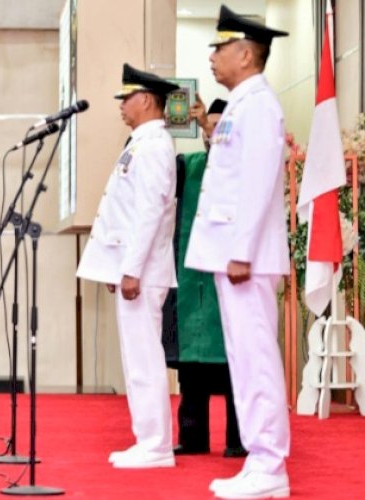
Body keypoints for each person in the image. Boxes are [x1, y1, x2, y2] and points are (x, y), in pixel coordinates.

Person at [184, 5, 290, 498]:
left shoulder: (260, 106)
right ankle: (258, 459)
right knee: (242, 360)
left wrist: (242, 250)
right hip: (231, 255)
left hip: (246, 256)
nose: (212, 57)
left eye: (220, 48)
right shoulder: (241, 106)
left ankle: (270, 466)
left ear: (246, 54)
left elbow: (258, 183)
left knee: (257, 358)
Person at [77, 63, 179, 469]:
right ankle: (148, 440)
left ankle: (156, 445)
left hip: (145, 270)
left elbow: (149, 213)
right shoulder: (141, 143)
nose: (121, 105)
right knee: (137, 359)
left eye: (127, 98)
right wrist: (116, 268)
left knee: (144, 360)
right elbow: (126, 213)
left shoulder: (153, 146)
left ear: (147, 100)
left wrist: (132, 269)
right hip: (135, 268)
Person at [161, 97, 246, 458]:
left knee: (233, 364)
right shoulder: (189, 165)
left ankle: (239, 439)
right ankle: (193, 436)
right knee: (192, 363)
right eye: (207, 126)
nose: (211, 132)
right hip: (192, 280)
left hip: (229, 277)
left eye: (218, 126)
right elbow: (158, 179)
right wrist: (162, 123)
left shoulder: (240, 165)